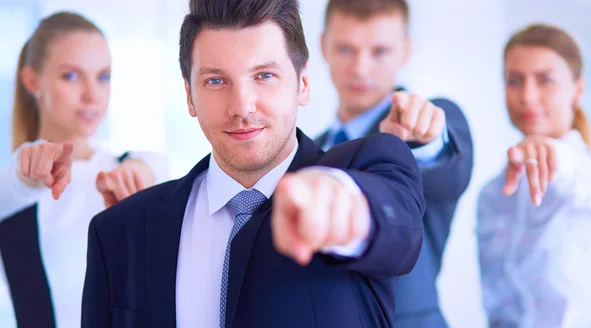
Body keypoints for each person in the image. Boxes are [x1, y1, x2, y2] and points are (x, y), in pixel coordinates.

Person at [80, 0, 429, 327]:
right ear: (189, 95)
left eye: (264, 76)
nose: (242, 107)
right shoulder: (119, 233)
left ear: (303, 83)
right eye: (216, 81)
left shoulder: (360, 171)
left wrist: (345, 209)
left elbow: (399, 229)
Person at [0, 12, 168, 328]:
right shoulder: (15, 185)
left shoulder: (138, 167)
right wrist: (29, 168)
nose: (93, 95)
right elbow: (12, 185)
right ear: (32, 81)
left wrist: (139, 174)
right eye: (72, 76)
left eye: (103, 76)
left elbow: (155, 172)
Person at [316, 0, 474, 326]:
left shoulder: (423, 123)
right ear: (322, 46)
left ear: (405, 51)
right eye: (346, 49)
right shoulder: (309, 151)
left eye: (380, 51)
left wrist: (425, 137)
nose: (360, 68)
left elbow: (446, 166)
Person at [477, 23, 591, 327]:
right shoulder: (492, 196)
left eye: (546, 80)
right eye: (514, 80)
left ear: (578, 89)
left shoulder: (588, 175)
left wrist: (554, 154)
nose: (528, 96)